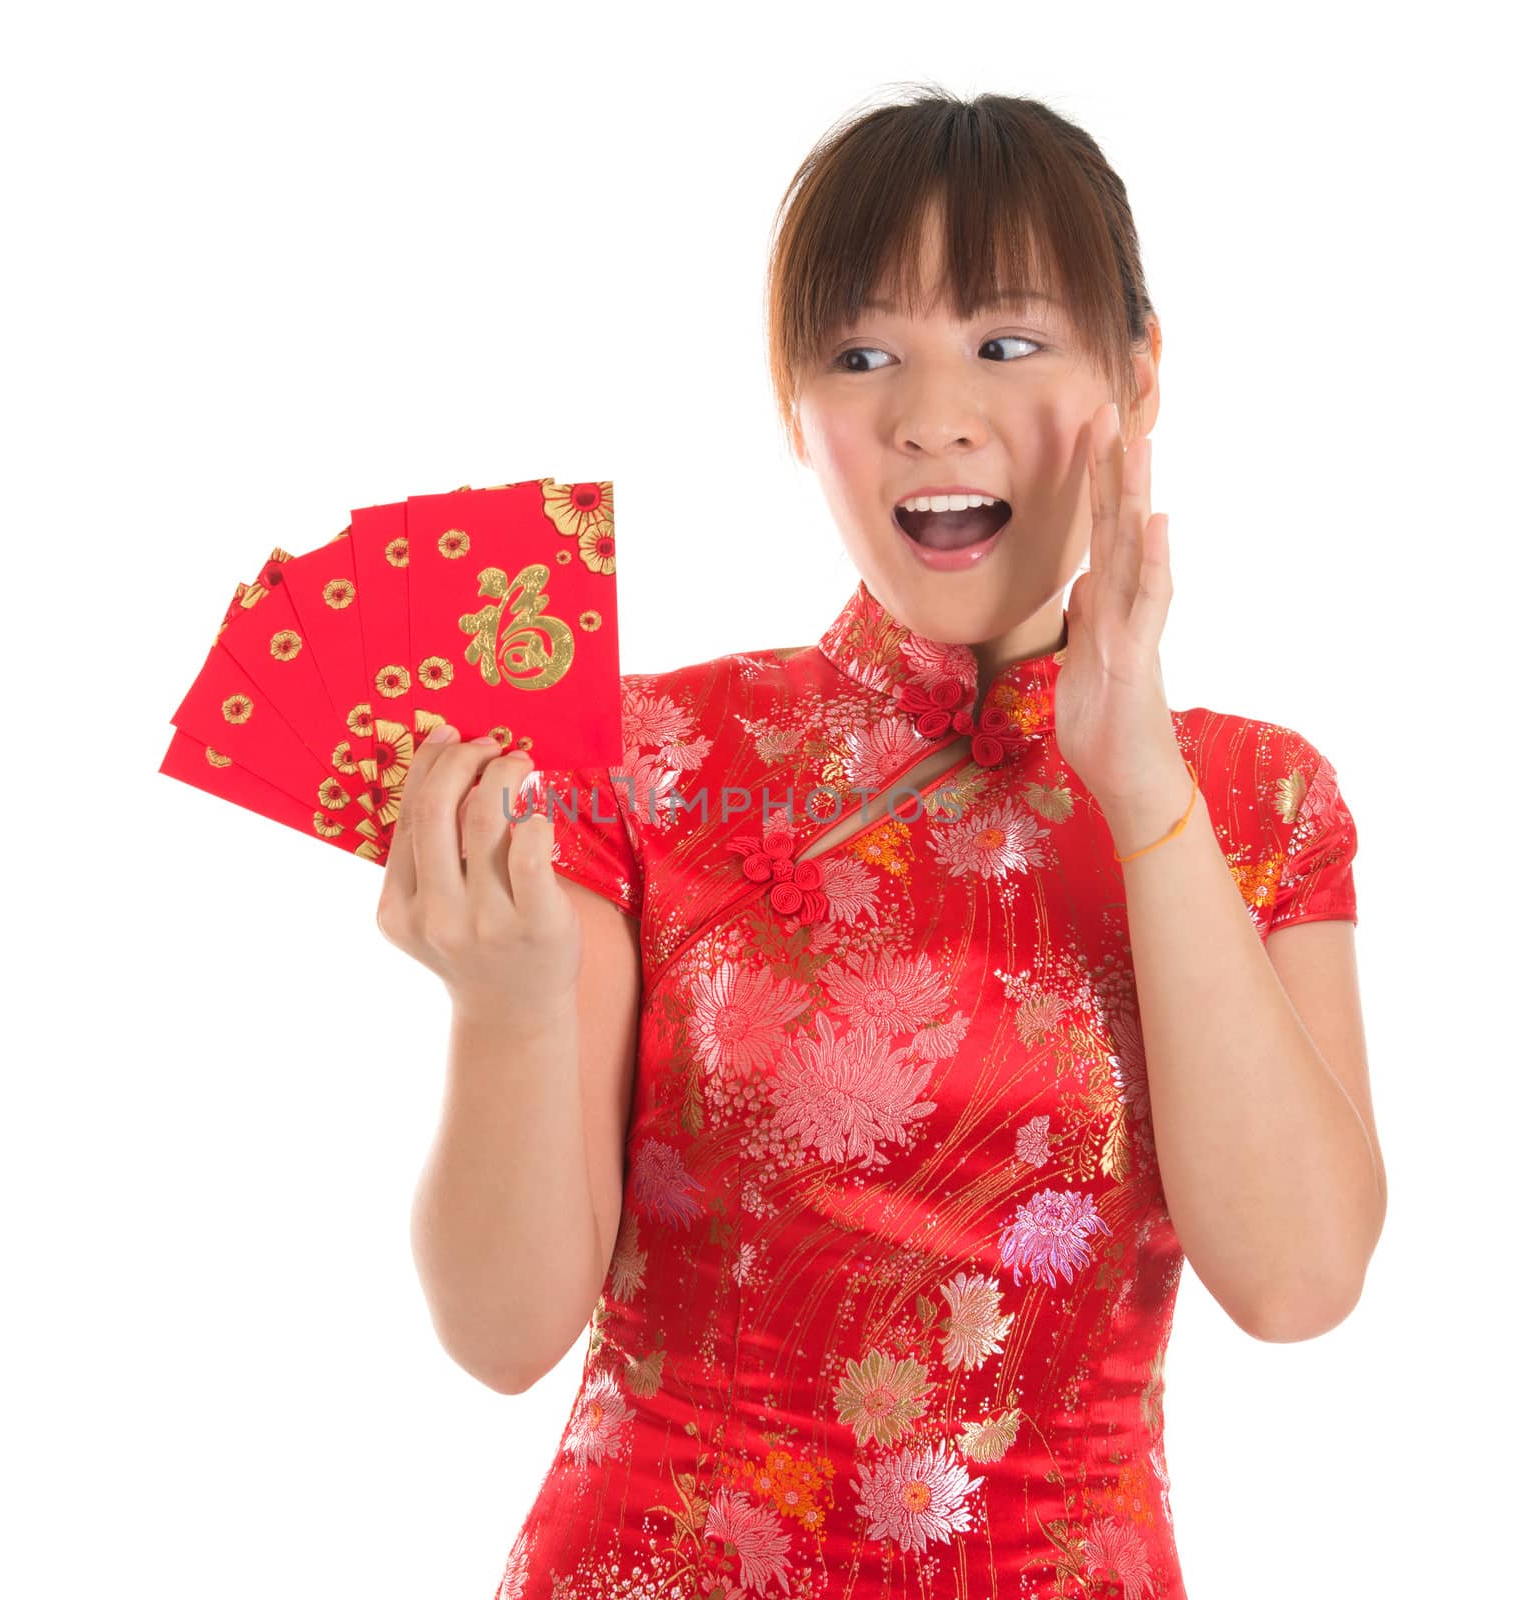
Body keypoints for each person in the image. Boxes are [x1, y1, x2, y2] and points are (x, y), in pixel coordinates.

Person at [381, 87, 1385, 1600]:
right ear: (794, 410)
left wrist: (1141, 783)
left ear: (1139, 374)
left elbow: (1300, 1282)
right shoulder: (643, 761)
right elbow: (502, 1335)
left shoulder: (1259, 799)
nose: (931, 410)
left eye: (1006, 341)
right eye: (862, 354)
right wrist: (506, 1008)